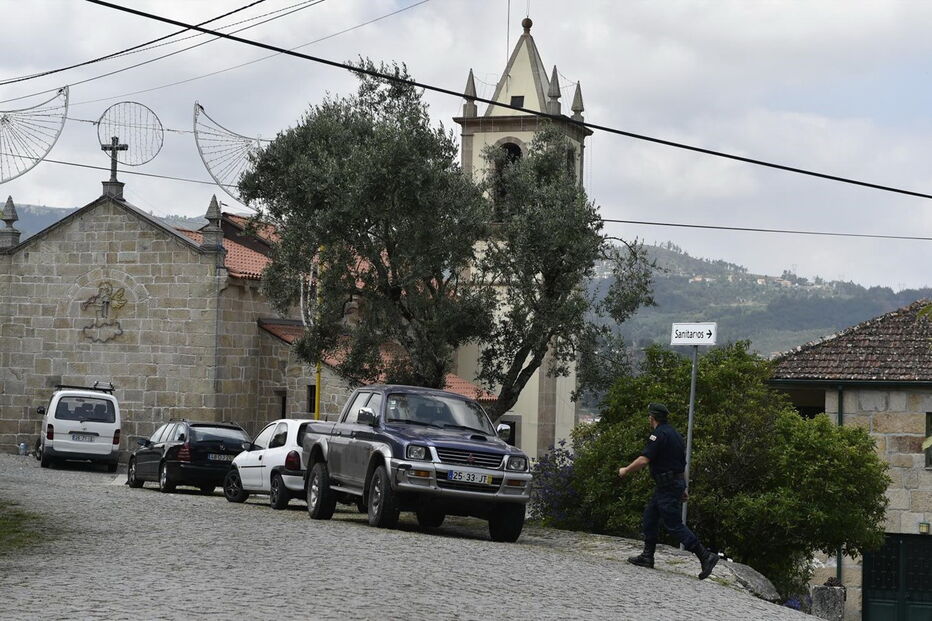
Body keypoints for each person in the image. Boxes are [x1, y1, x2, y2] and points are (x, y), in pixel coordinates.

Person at [617, 402, 719, 580]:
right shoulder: (675, 434)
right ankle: (647, 556)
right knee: (650, 517)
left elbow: (644, 459)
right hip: (672, 484)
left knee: (674, 525)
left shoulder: (658, 435)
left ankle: (705, 556)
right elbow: (682, 464)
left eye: (649, 416)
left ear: (652, 417)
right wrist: (684, 487)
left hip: (668, 486)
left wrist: (625, 470)